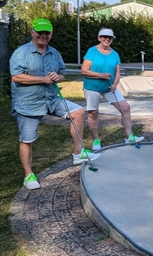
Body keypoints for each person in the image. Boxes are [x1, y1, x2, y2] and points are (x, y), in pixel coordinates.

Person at [9, 18, 100, 190]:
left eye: (47, 33)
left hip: (51, 99)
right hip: (28, 103)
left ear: (51, 34)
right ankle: (28, 176)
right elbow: (16, 76)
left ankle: (78, 153)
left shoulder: (54, 53)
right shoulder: (21, 53)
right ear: (32, 32)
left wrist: (58, 77)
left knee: (78, 112)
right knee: (27, 140)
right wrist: (42, 79)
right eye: (40, 32)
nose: (43, 36)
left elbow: (63, 73)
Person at [81, 28, 144, 150]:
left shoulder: (115, 54)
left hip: (109, 87)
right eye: (104, 37)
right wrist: (101, 75)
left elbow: (117, 73)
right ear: (99, 38)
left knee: (125, 107)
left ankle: (129, 136)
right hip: (92, 87)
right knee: (93, 113)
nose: (107, 39)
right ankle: (96, 141)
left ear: (112, 39)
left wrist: (115, 84)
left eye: (109, 37)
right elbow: (84, 70)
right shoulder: (92, 51)